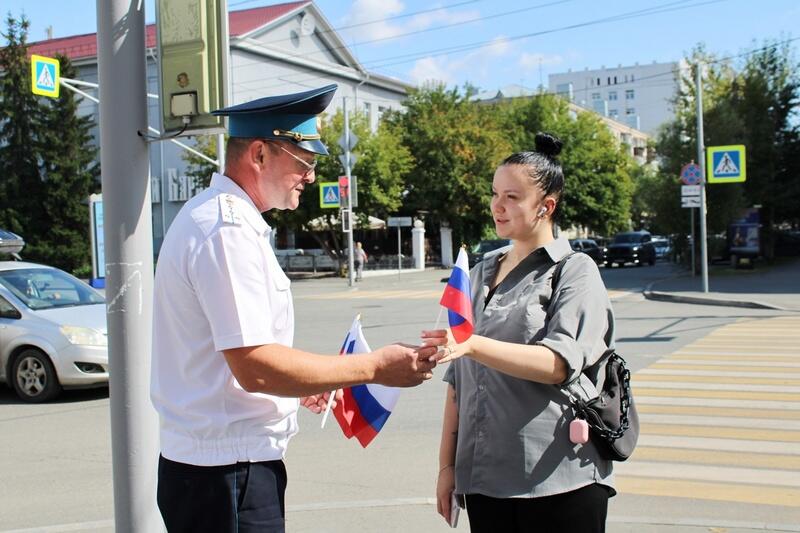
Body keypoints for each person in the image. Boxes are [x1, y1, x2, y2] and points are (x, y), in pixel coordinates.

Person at [150, 84, 439, 533]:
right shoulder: (228, 232)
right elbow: (255, 369)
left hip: (221, 468)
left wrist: (300, 385)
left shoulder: (222, 218)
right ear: (260, 155)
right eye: (304, 162)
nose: (310, 176)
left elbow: (240, 359)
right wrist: (375, 367)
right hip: (227, 473)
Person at [422, 132, 616, 533]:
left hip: (558, 481)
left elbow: (559, 364)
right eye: (495, 193)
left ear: (546, 206)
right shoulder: (478, 273)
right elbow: (458, 383)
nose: (497, 205)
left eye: (512, 197)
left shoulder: (574, 271)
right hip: (485, 482)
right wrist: (447, 466)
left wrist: (472, 345)